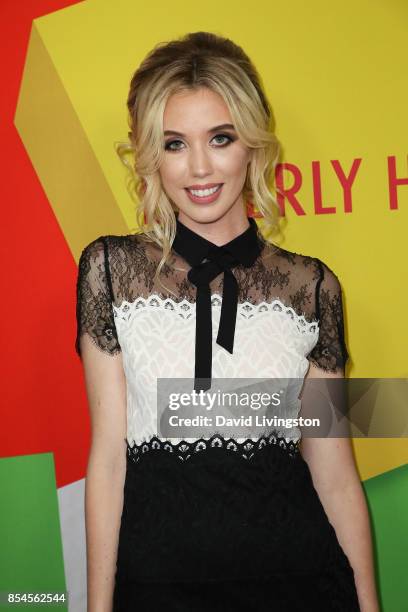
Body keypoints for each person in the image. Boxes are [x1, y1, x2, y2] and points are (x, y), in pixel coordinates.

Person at [75, 31, 379, 612]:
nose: (199, 167)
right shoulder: (110, 270)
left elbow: (334, 472)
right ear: (149, 156)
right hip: (158, 585)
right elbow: (109, 459)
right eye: (173, 144)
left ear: (252, 144)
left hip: (301, 582)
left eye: (220, 138)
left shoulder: (312, 287)